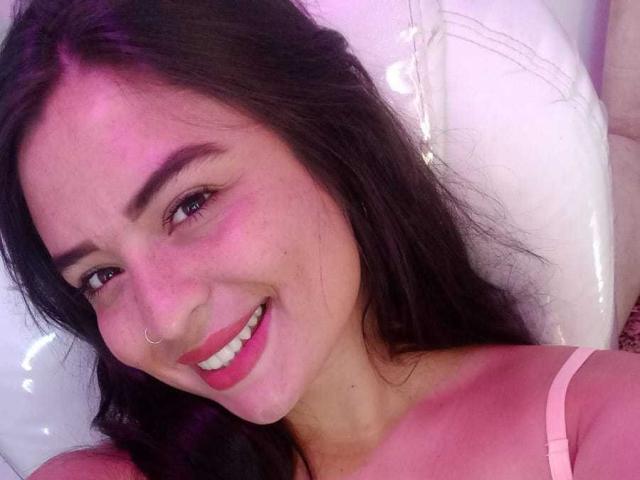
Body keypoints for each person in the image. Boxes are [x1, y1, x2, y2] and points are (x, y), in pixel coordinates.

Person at [0, 0, 638, 479]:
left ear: (327, 140)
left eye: (190, 204)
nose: (165, 319)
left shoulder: (600, 422)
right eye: (100, 275)